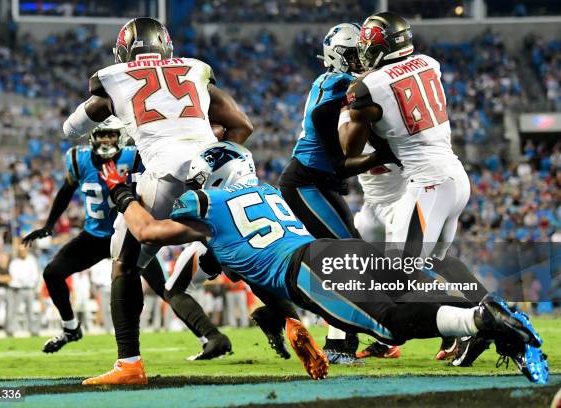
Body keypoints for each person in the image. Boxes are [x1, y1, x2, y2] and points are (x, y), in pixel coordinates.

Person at [98, 141, 548, 385]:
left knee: (388, 324)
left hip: (308, 270)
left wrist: (119, 190)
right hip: (333, 251)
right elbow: (244, 259)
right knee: (414, 271)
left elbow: (148, 231)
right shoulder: (268, 194)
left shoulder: (207, 204)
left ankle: (481, 319)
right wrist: (292, 323)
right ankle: (486, 310)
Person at [62, 17, 253, 384]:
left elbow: (71, 128)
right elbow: (243, 126)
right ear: (165, 46)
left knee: (126, 262)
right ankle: (291, 319)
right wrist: (215, 154)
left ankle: (129, 364)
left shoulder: (115, 78)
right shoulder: (195, 70)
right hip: (212, 165)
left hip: (164, 170)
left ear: (124, 52)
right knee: (244, 239)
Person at [338, 11, 489, 364]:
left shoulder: (367, 87)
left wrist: (352, 108)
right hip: (453, 176)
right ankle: (485, 318)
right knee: (434, 265)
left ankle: (477, 325)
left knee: (399, 277)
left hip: (428, 185)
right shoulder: (428, 63)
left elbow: (350, 150)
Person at [279, 23, 399, 364]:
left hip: (318, 182)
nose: (361, 58)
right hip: (307, 182)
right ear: (338, 56)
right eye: (354, 53)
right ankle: (339, 343)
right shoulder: (340, 86)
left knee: (351, 253)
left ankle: (376, 334)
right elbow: (338, 162)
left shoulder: (334, 83)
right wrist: (383, 155)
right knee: (346, 256)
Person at [23, 117, 141, 352]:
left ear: (120, 137)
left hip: (127, 233)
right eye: (101, 135)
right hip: (95, 236)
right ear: (92, 138)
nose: (106, 139)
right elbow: (66, 190)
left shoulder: (133, 157)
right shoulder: (79, 159)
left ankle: (206, 336)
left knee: (162, 286)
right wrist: (49, 224)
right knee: (52, 273)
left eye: (111, 134)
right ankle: (70, 328)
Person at [7, 244, 40, 336]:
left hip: (30, 289)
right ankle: (11, 329)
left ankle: (33, 330)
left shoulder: (32, 261)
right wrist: (24, 280)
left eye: (24, 250)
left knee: (31, 311)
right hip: (18, 289)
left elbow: (35, 275)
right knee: (15, 310)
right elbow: (14, 276)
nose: (23, 253)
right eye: (21, 251)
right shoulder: (15, 262)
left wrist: (27, 281)